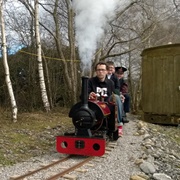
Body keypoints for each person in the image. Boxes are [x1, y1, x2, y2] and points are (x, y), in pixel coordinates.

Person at [88, 62, 124, 136]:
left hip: (106, 105)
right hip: (93, 105)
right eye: (98, 70)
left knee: (117, 98)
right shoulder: (90, 81)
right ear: (96, 71)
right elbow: (83, 95)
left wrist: (120, 97)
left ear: (107, 71)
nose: (100, 72)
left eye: (103, 70)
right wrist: (89, 95)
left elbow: (112, 95)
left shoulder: (111, 83)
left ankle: (119, 125)